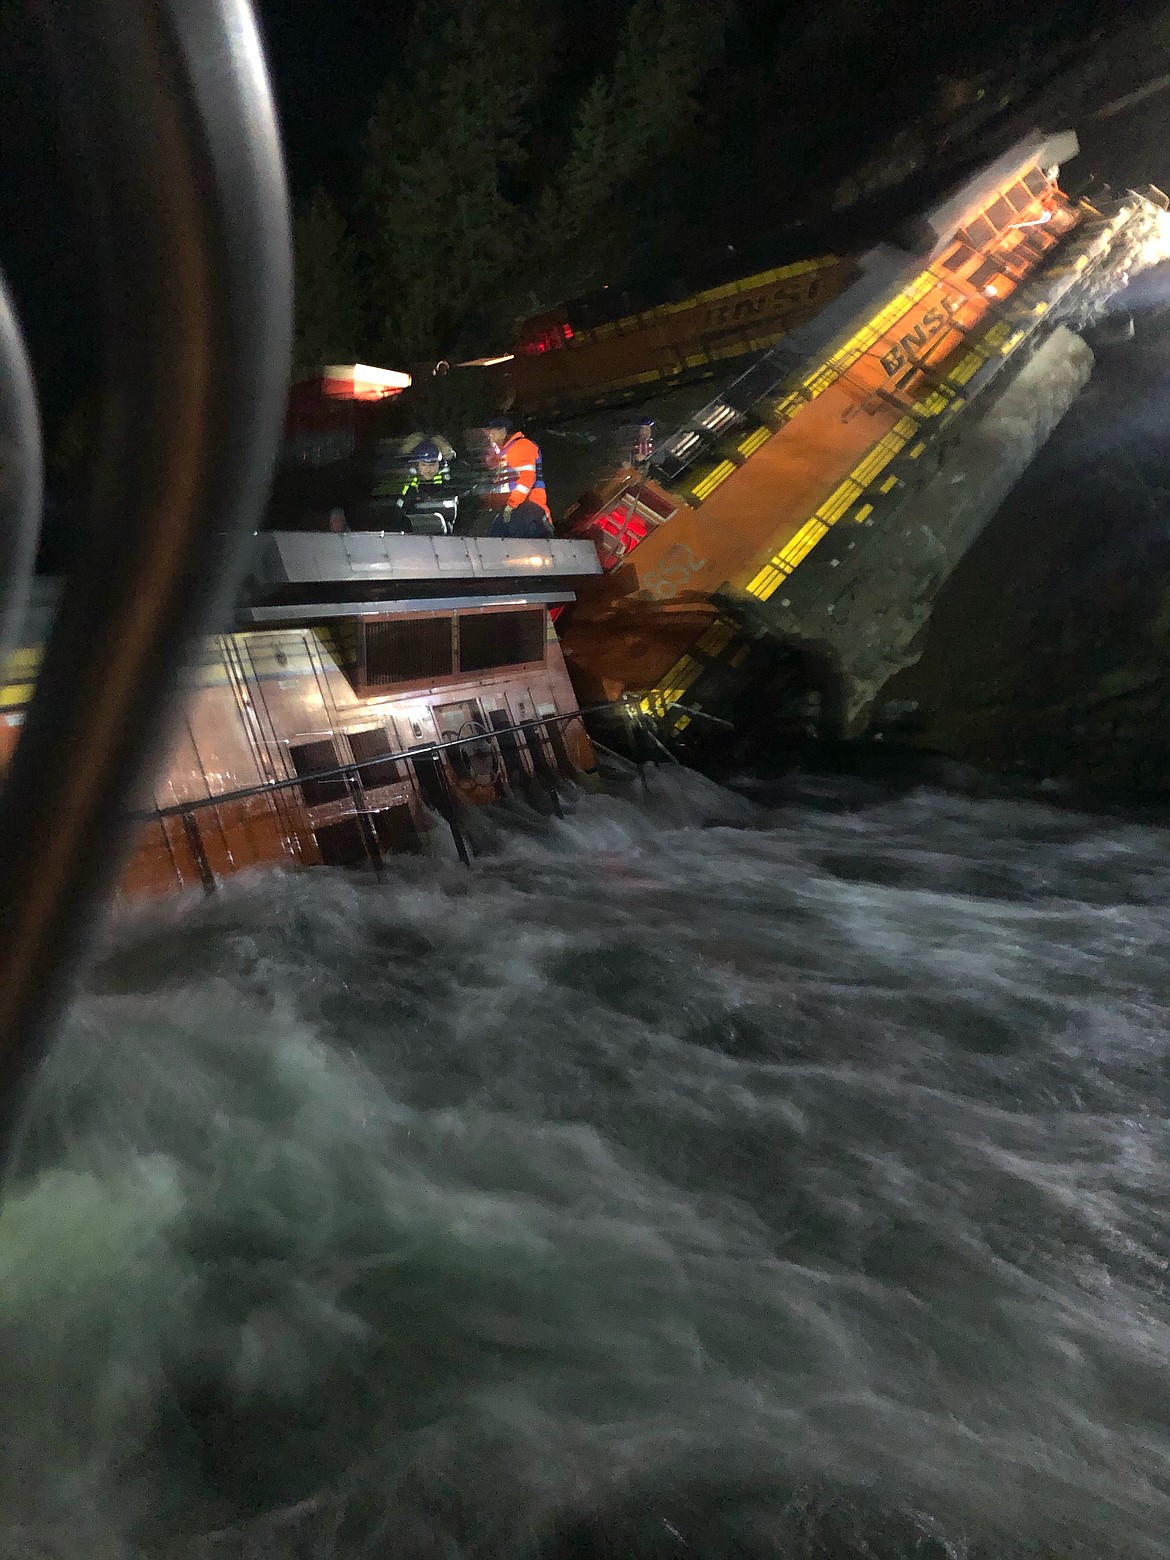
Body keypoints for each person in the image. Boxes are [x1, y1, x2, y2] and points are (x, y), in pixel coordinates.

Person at [483, 417, 553, 539]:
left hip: (528, 509)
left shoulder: (521, 446)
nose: (489, 437)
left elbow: (526, 480)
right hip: (514, 509)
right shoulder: (507, 451)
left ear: (502, 431)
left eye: (492, 432)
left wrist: (511, 504)